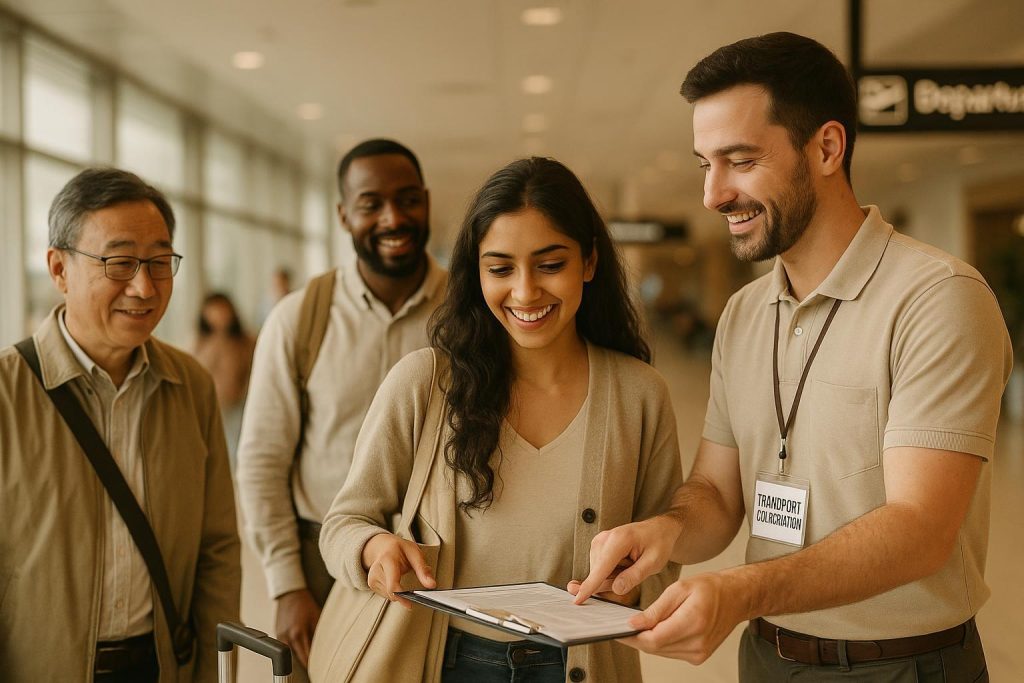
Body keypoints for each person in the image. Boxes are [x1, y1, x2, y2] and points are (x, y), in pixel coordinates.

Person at [570, 32, 1013, 682]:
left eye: (740, 160)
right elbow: (718, 494)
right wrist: (663, 530)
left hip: (902, 665)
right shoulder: (746, 315)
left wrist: (741, 591)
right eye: (704, 164)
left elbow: (921, 529)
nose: (713, 194)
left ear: (827, 147)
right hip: (767, 656)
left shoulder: (937, 298)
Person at [313, 157, 683, 682]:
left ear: (589, 262)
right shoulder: (425, 383)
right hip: (447, 663)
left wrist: (628, 583)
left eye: (550, 264)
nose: (526, 292)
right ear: (476, 273)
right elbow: (342, 525)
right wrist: (373, 547)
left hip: (584, 667)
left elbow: (666, 555)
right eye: (501, 268)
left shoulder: (640, 395)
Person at [0, 167, 241, 682]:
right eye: (120, 261)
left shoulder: (190, 385)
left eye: (159, 261)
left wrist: (211, 670)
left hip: (160, 665)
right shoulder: (6, 392)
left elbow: (216, 547)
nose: (144, 285)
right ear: (59, 269)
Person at [235, 138, 447, 676]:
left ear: (426, 200)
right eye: (371, 203)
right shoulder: (298, 319)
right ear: (343, 214)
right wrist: (287, 585)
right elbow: (262, 462)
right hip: (324, 565)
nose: (392, 217)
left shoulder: (471, 312)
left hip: (444, 563)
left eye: (406, 199)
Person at [193, 292, 255, 466]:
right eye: (214, 311)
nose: (219, 315)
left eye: (222, 310)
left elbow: (253, 372)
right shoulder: (200, 343)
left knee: (239, 451)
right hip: (212, 408)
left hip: (240, 407)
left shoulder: (246, 341)